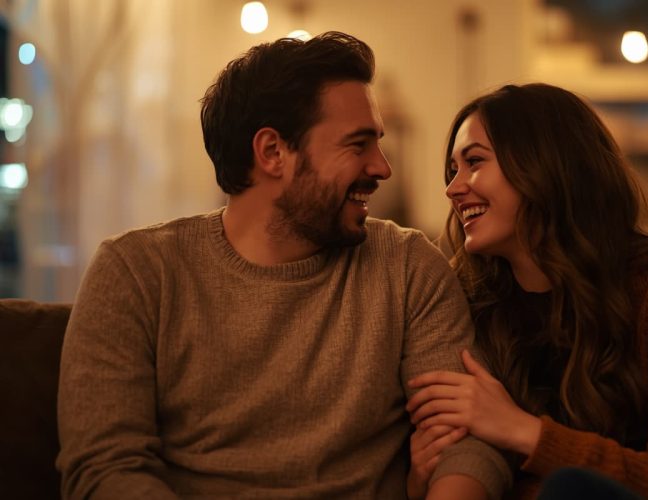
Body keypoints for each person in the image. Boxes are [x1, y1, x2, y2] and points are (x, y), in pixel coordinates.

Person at [56, 32, 512, 499]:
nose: (382, 168)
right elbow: (105, 467)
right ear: (273, 152)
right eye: (358, 145)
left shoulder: (408, 265)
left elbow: (468, 442)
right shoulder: (136, 272)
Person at [404, 83, 648, 499]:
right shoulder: (464, 300)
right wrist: (419, 479)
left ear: (547, 164)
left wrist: (521, 430)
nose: (453, 188)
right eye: (451, 171)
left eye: (474, 162)